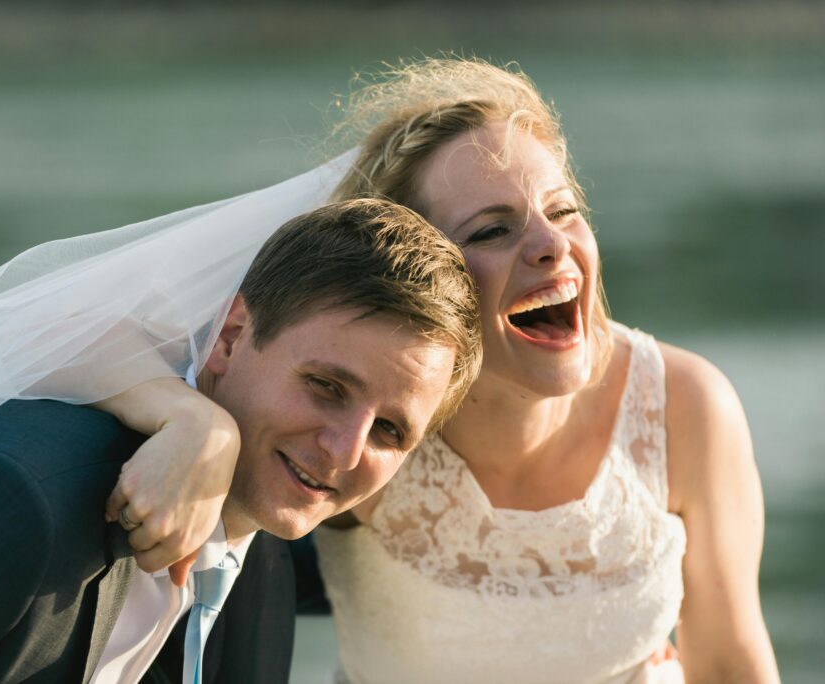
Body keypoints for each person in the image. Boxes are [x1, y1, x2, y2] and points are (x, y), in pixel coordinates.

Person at [0, 198, 483, 683]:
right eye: (326, 387)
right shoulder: (9, 501)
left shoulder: (261, 564)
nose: (343, 449)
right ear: (232, 338)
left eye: (390, 430)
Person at [307, 57, 781, 683]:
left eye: (562, 211)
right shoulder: (361, 425)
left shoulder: (688, 406)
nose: (553, 245)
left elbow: (728, 665)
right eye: (494, 229)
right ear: (416, 281)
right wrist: (194, 429)